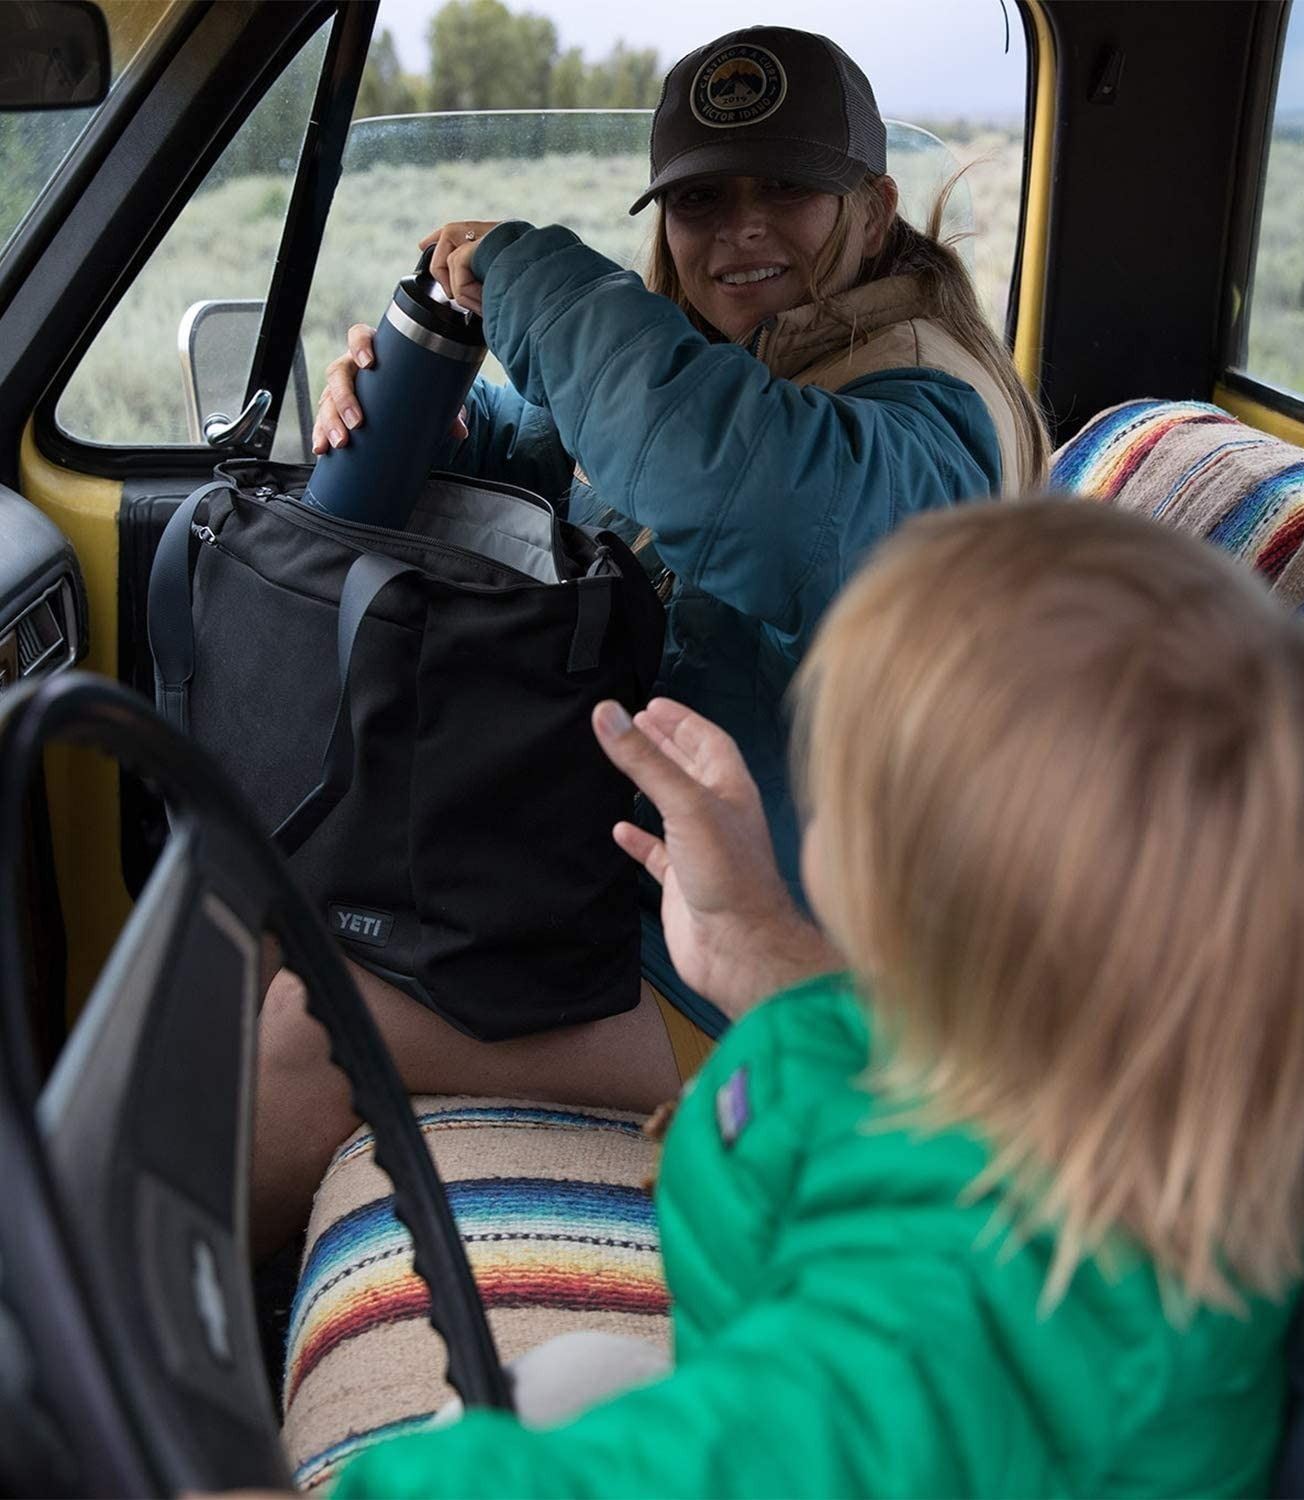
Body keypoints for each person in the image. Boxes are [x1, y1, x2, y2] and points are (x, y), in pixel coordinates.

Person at [315, 497, 1304, 1498]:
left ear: (927, 915)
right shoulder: (1111, 1112)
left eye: (838, 787)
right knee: (576, 1378)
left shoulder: (953, 1320)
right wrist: (751, 941)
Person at [253, 26, 1048, 1251]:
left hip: (788, 981)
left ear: (876, 210)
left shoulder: (932, 422)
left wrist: (527, 275)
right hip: (633, 900)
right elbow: (565, 452)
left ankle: (152, 1350)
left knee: (311, 1029)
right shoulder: (755, 359)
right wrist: (420, 411)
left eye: (787, 190)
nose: (739, 232)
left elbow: (745, 485)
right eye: (700, 200)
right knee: (263, 908)